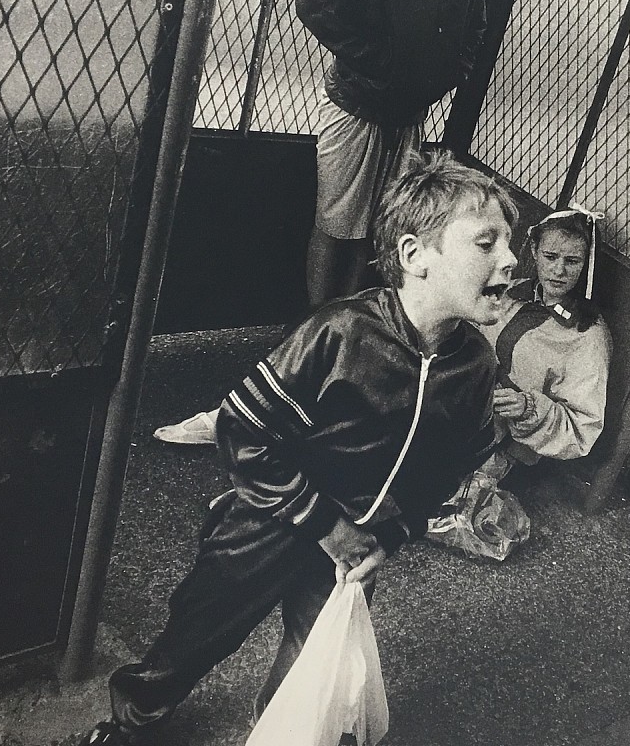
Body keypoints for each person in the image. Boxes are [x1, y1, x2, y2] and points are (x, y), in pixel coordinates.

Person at [84, 153, 517, 745]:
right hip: (270, 524)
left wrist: (389, 536)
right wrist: (323, 523)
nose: (510, 260)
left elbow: (452, 467)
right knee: (200, 630)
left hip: (359, 540)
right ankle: (135, 717)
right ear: (415, 256)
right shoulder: (339, 332)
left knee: (314, 649)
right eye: (487, 242)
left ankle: (281, 731)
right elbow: (244, 428)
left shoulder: (475, 365)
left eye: (509, 244)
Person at [296, 0, 489, 307]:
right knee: (337, 224)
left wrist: (448, 72)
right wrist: (378, 62)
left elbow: (475, 24)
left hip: (406, 115)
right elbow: (316, 0)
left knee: (380, 228)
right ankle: (317, 326)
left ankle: (353, 321)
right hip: (357, 106)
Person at [430, 207, 613, 533]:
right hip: (464, 405)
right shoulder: (511, 292)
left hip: (514, 442)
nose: (559, 270)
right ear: (533, 251)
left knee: (442, 501)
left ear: (587, 265)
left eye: (572, 262)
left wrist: (529, 406)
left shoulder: (588, 335)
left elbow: (582, 428)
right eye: (551, 256)